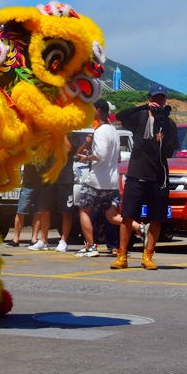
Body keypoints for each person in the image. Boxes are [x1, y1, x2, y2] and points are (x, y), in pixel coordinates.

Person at [111, 84, 179, 271]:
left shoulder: (169, 124)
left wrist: (162, 139)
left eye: (161, 98)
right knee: (127, 215)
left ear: (165, 100)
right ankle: (122, 256)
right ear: (150, 98)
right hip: (137, 173)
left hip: (158, 176)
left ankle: (148, 256)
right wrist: (143, 107)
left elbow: (169, 152)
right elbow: (120, 116)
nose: (158, 101)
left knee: (156, 218)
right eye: (155, 97)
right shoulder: (140, 117)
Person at [74, 99, 123, 257]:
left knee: (84, 211)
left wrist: (87, 158)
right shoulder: (114, 131)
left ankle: (90, 247)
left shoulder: (100, 131)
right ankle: (140, 227)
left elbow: (100, 154)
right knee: (111, 216)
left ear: (98, 111)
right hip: (112, 182)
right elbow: (118, 157)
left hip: (97, 181)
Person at [30, 140, 78, 252]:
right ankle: (43, 240)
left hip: (65, 178)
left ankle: (63, 241)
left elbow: (67, 149)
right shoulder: (51, 135)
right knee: (44, 209)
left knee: (66, 211)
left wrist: (62, 133)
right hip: (49, 176)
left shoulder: (72, 135)